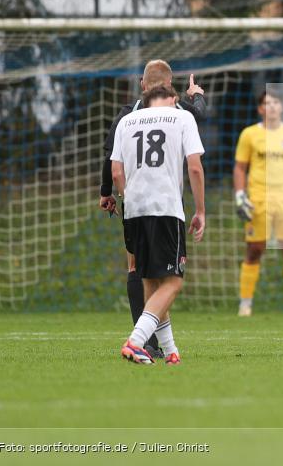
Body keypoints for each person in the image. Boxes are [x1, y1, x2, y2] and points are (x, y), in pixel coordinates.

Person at [99, 60, 207, 358]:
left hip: (133, 208)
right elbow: (195, 168)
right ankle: (136, 340)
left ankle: (167, 350)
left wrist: (117, 195)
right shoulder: (181, 116)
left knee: (147, 278)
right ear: (172, 90)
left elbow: (115, 169)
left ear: (143, 87)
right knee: (172, 281)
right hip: (166, 207)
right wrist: (200, 210)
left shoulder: (126, 119)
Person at [234, 90, 283, 317]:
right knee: (255, 250)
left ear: (282, 107)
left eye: (276, 102)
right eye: (267, 103)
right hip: (259, 198)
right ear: (260, 109)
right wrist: (240, 195)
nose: (272, 107)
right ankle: (245, 304)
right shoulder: (249, 134)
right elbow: (240, 167)